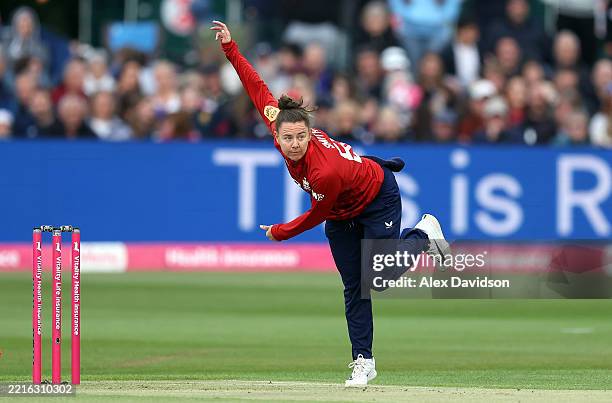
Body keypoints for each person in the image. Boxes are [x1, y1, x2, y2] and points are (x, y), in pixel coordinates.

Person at [211, 20, 450, 387]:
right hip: (343, 212)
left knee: (380, 278)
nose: (293, 144)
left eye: (300, 137)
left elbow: (316, 214)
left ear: (309, 133)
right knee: (354, 286)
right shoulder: (280, 125)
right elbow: (255, 86)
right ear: (275, 132)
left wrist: (280, 231)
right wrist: (230, 48)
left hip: (375, 197)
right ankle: (363, 360)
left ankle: (423, 231)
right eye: (287, 138)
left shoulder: (324, 171)